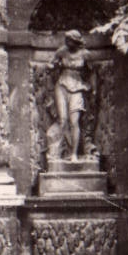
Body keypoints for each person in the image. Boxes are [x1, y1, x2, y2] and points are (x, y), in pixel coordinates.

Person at [51, 29, 96, 160]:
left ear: (76, 41)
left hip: (77, 87)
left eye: (69, 40)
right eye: (66, 40)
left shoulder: (86, 54)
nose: (66, 42)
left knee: (74, 121)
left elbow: (93, 72)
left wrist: (94, 90)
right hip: (62, 86)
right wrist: (52, 66)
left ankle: (74, 154)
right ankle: (60, 151)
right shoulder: (61, 52)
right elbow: (51, 64)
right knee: (63, 120)